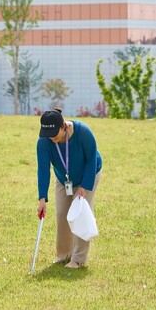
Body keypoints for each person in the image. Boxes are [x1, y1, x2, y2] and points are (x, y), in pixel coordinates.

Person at [37, 109, 104, 268]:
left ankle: (78, 259)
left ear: (63, 127)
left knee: (80, 213)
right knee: (62, 214)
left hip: (89, 174)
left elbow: (91, 159)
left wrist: (85, 186)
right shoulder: (44, 141)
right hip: (63, 179)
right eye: (48, 135)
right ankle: (63, 254)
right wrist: (42, 199)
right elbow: (43, 170)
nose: (52, 139)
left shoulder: (83, 132)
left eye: (55, 134)